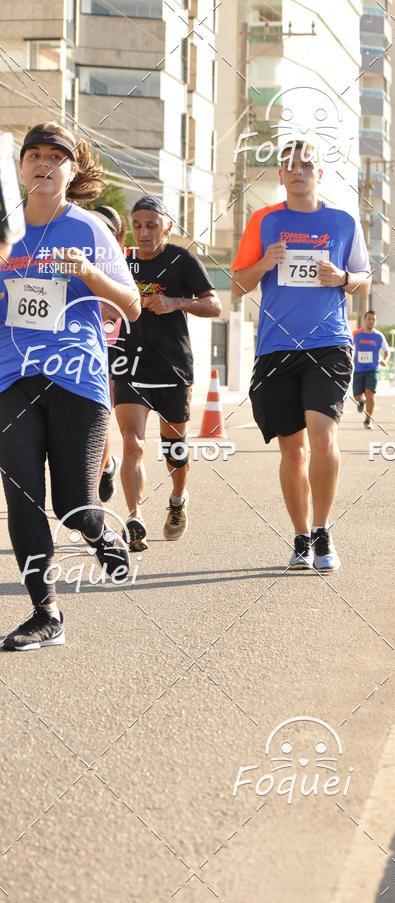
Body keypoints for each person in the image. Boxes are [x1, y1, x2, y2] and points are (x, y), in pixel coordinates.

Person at [0, 121, 141, 651]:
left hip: (76, 376)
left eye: (54, 157)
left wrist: (90, 273)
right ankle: (46, 614)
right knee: (23, 500)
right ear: (20, 168)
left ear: (71, 169)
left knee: (74, 505)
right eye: (33, 154)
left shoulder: (88, 230)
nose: (42, 163)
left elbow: (130, 306)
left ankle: (100, 531)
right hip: (12, 376)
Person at [231, 139, 371, 571]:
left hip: (328, 343)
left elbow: (364, 278)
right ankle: (300, 536)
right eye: (289, 165)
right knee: (293, 451)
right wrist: (263, 264)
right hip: (276, 348)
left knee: (323, 436)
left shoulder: (342, 221)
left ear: (320, 174)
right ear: (280, 175)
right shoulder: (264, 221)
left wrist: (342, 277)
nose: (298, 170)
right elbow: (236, 284)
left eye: (307, 164)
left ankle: (325, 531)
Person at [113, 195, 221, 551]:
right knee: (132, 442)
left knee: (174, 448)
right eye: (138, 225)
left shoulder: (180, 260)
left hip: (173, 366)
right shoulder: (121, 260)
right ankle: (133, 517)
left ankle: (177, 499)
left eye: (152, 226)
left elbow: (214, 304)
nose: (143, 233)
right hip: (129, 364)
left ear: (167, 227)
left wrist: (175, 302)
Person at [90, 205, 126, 502]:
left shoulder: (119, 264)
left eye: (107, 229)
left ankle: (100, 472)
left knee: (101, 416)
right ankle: (104, 466)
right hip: (70, 349)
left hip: (112, 349)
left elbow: (120, 311)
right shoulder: (77, 253)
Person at [352, 310, 389, 429]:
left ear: (376, 321)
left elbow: (387, 351)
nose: (371, 321)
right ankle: (361, 401)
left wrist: (385, 360)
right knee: (357, 396)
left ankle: (368, 420)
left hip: (373, 369)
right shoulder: (356, 334)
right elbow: (348, 346)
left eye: (373, 319)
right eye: (369, 318)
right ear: (364, 320)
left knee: (370, 394)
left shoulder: (379, 336)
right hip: (358, 369)